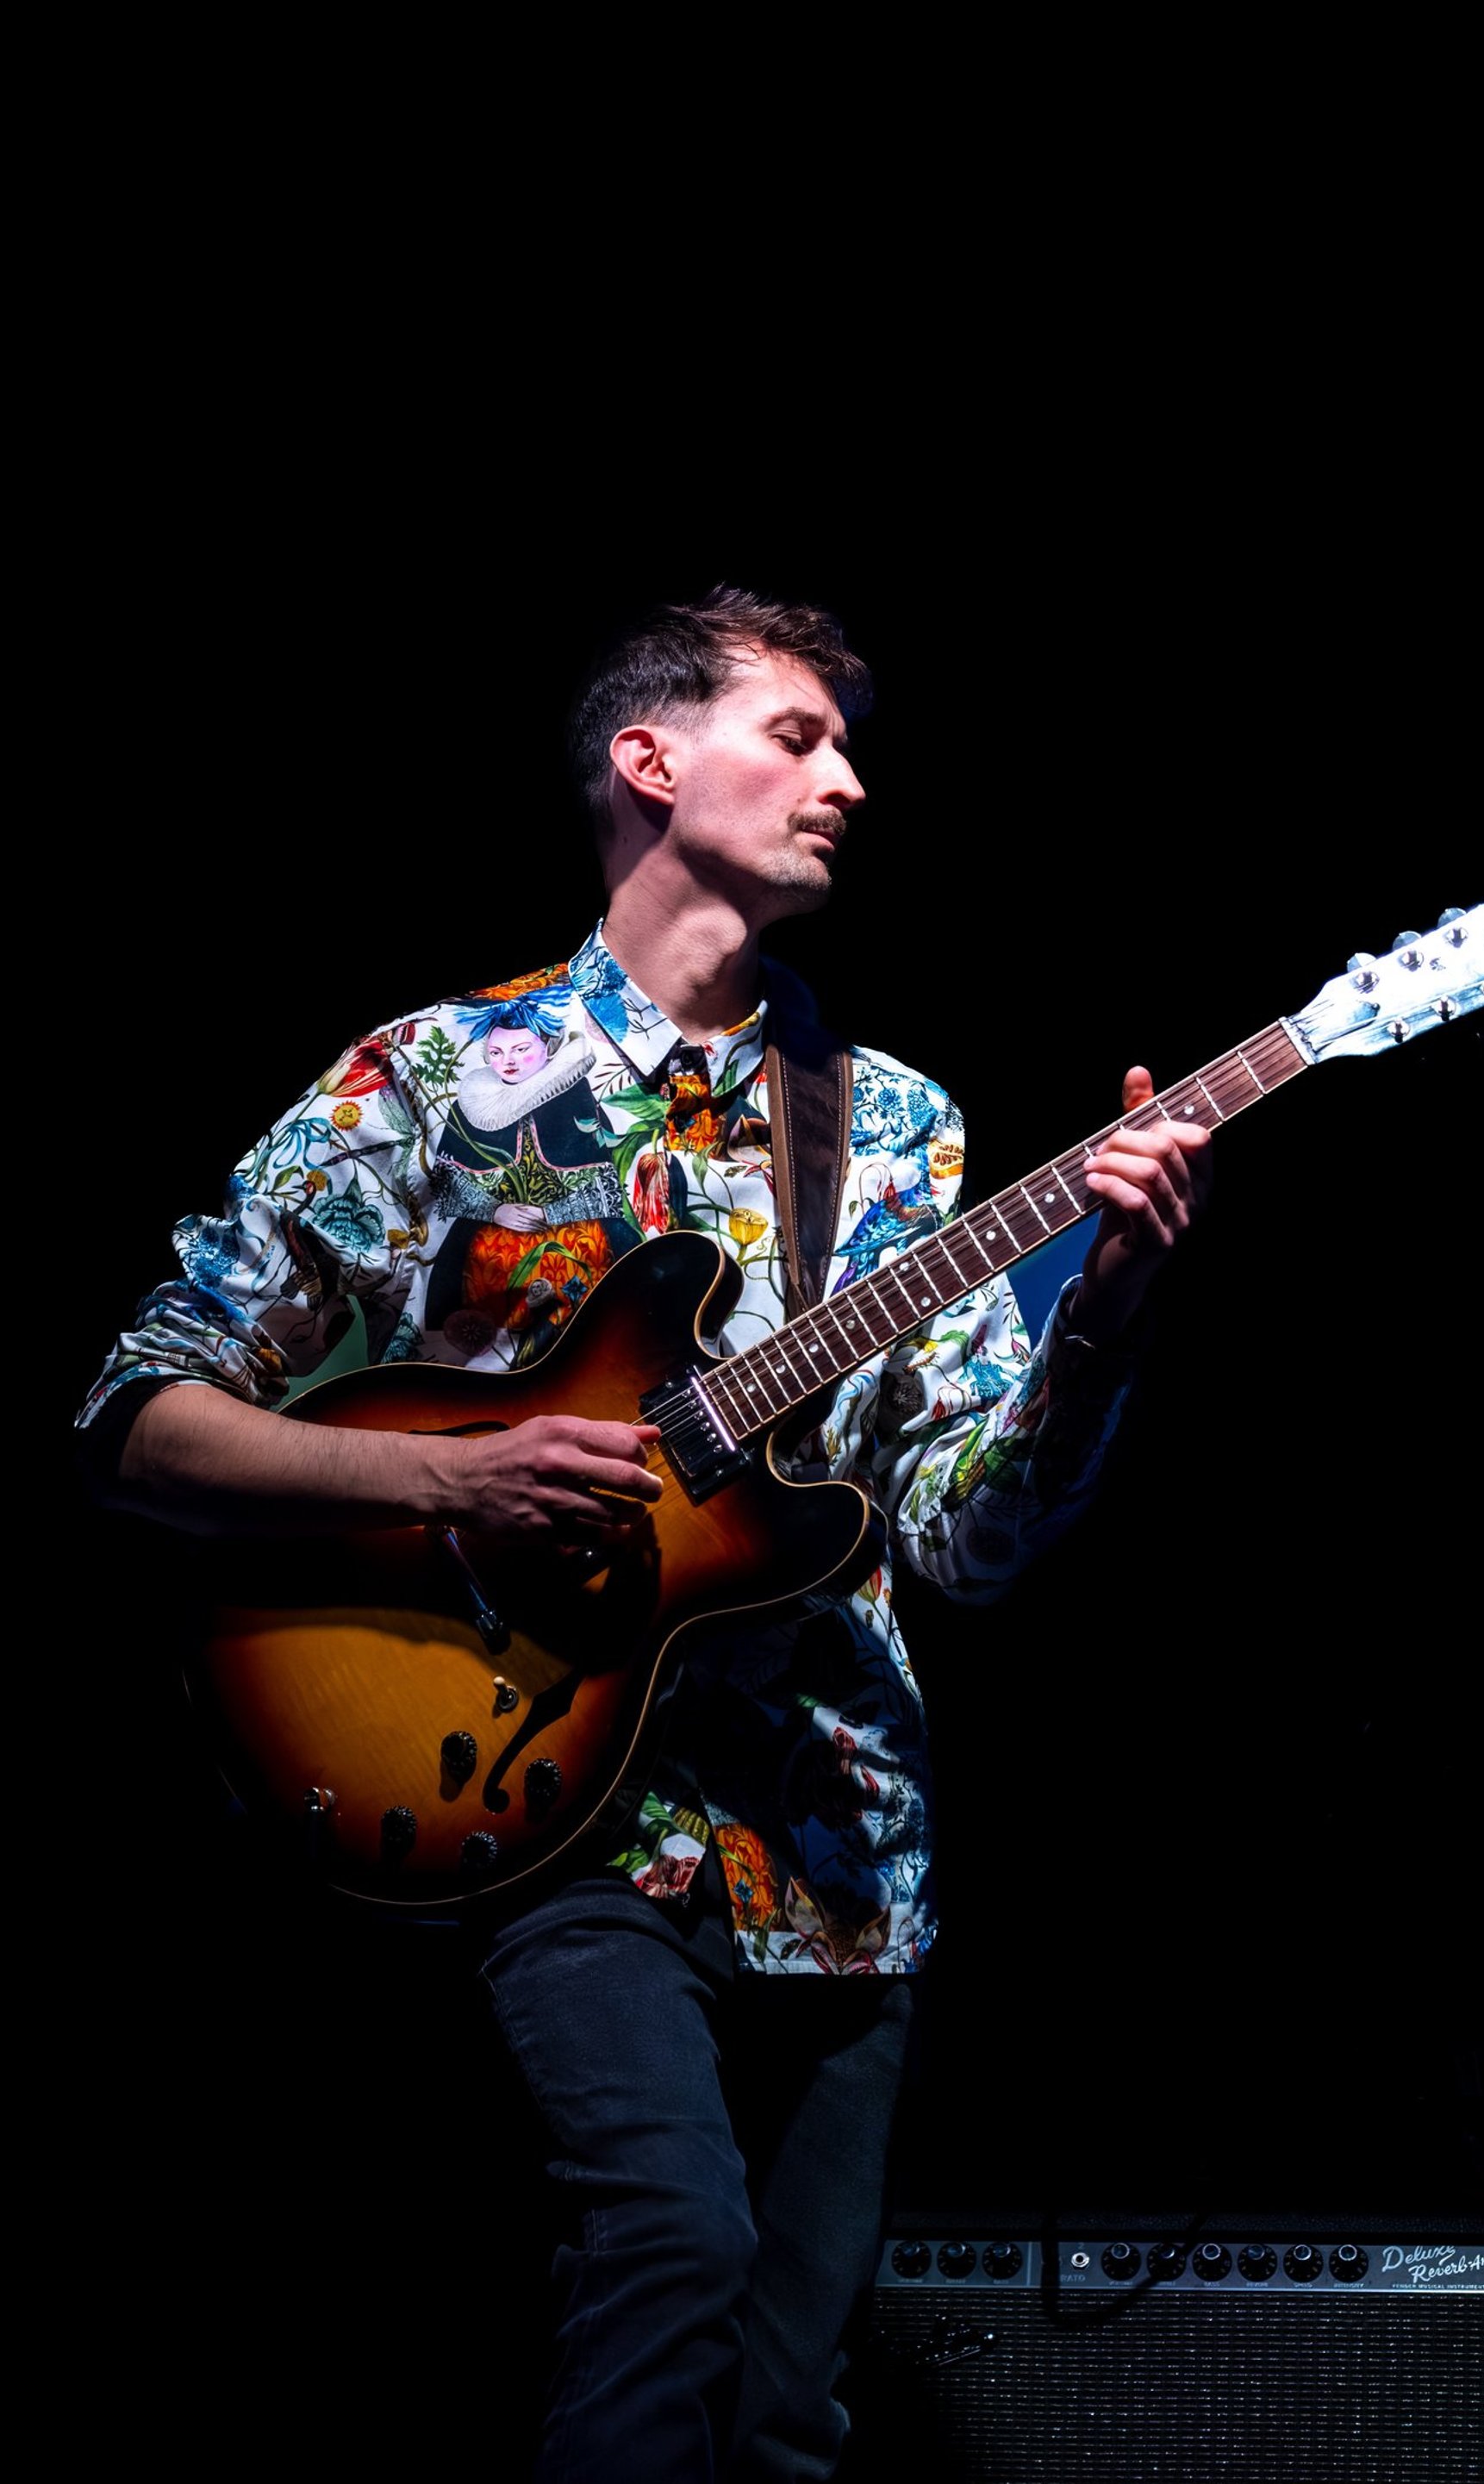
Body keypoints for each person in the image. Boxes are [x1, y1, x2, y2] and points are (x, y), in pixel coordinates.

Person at [73, 584, 1213, 2481]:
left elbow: (967, 1541)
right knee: (669, 2251)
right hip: (541, 1791)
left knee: (782, 2415)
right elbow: (137, 1416)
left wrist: (1101, 1321)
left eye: (849, 747)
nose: (849, 780)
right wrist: (454, 1476)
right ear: (650, 759)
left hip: (838, 1840)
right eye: (800, 734)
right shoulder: (436, 1083)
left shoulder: (899, 1130)